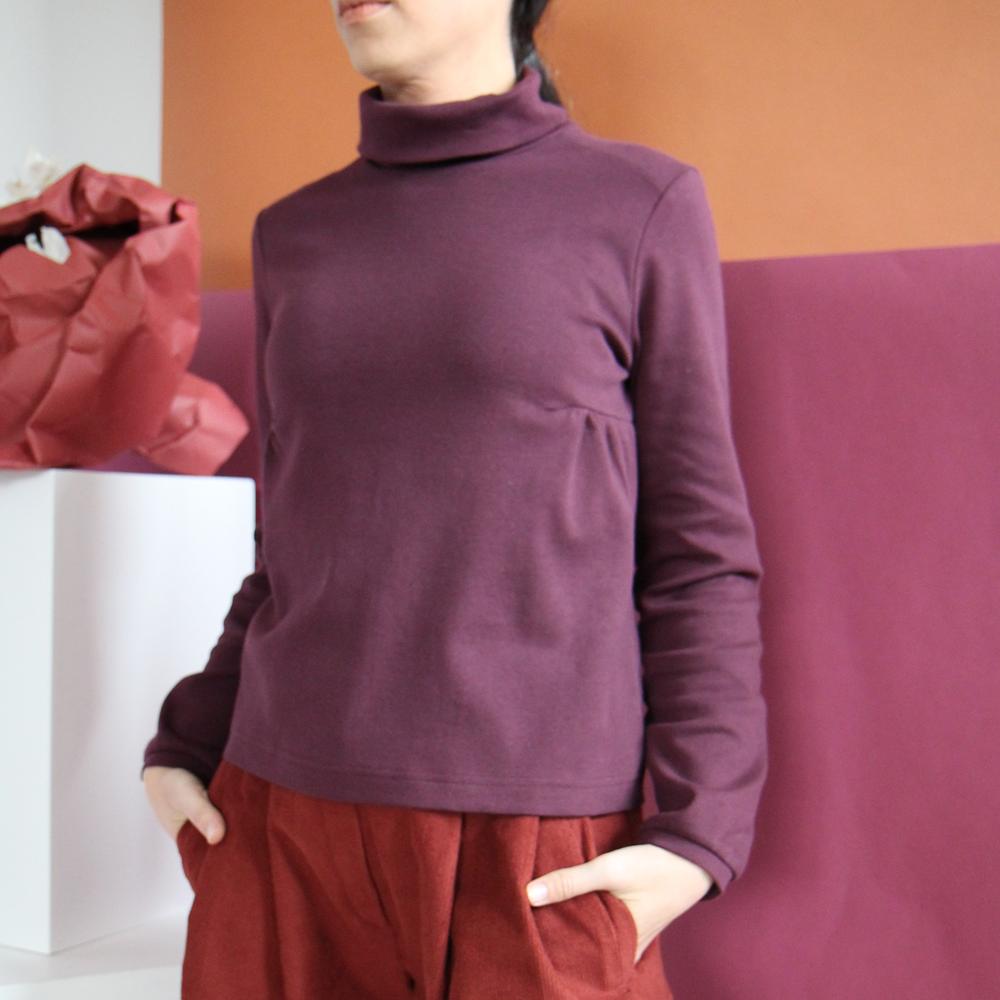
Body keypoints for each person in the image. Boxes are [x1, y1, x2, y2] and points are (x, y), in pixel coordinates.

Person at [141, 1, 768, 997]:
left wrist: (701, 834)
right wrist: (186, 742)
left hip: (533, 852)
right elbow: (289, 543)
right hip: (277, 822)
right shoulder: (293, 233)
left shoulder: (639, 205)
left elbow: (696, 553)